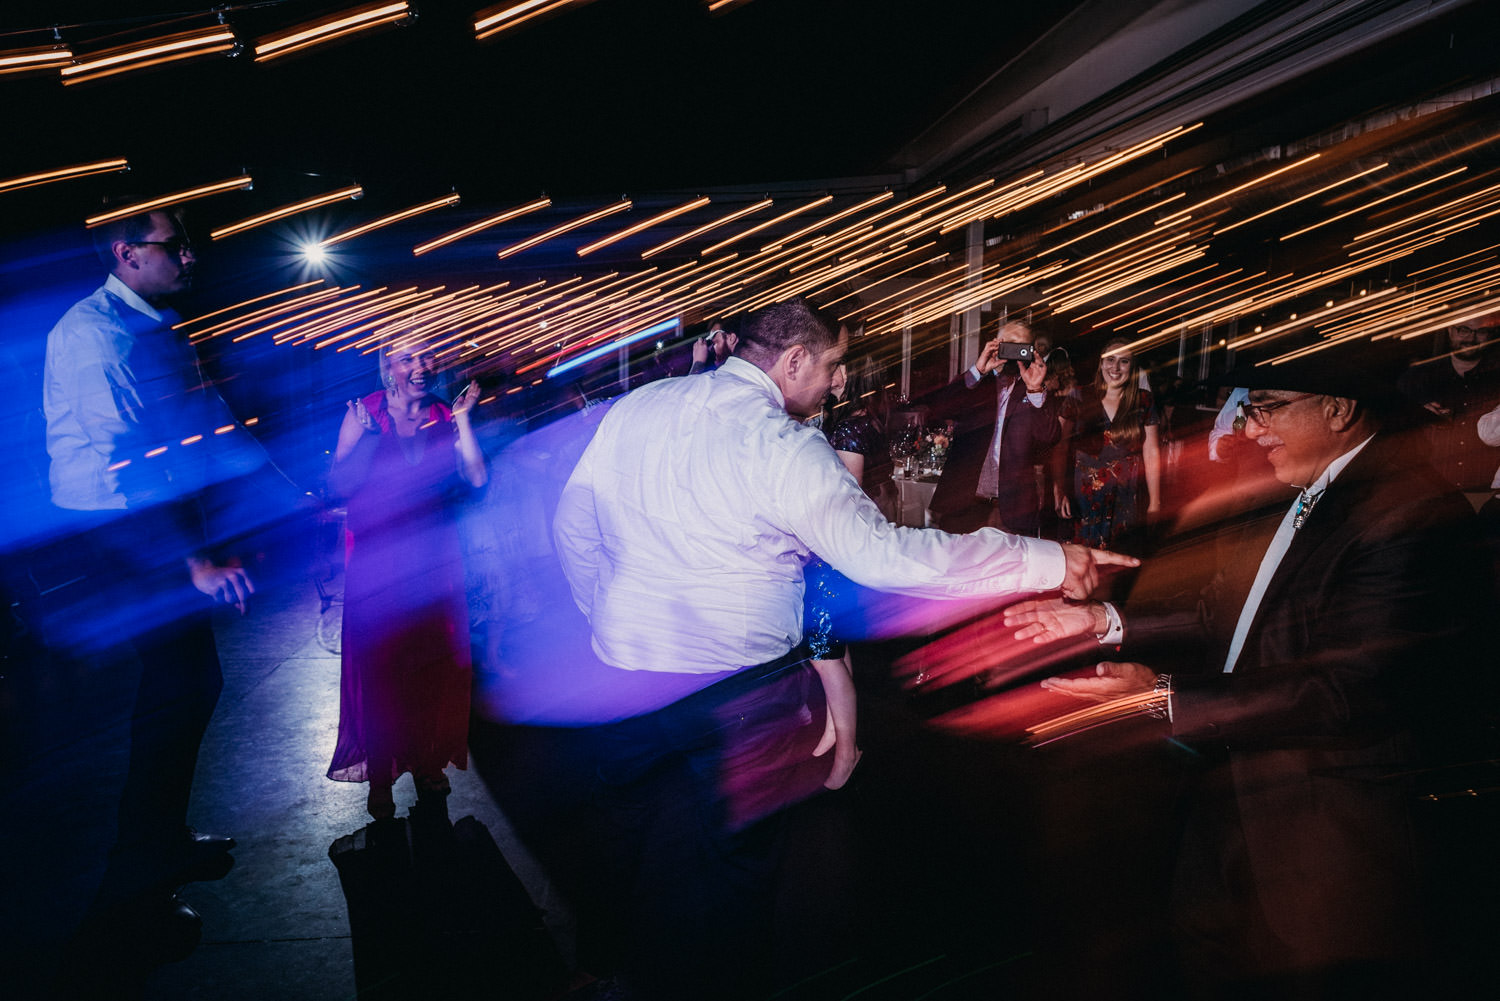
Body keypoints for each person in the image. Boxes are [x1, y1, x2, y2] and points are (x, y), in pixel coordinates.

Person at [550, 297, 1134, 998]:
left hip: (625, 676)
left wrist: (606, 618)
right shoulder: (786, 447)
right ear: (792, 360)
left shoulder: (637, 409)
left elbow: (572, 526)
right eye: (831, 366)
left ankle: (593, 965)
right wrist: (1040, 561)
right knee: (737, 866)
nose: (836, 383)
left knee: (616, 827)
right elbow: (883, 557)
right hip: (738, 689)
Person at [1004, 352, 1488, 998]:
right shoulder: (1298, 488)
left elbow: (1338, 690)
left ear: (1339, 409)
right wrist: (1104, 622)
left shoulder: (1407, 513)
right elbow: (1221, 609)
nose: (1253, 428)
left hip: (1322, 840)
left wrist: (1161, 696)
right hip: (1227, 799)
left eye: (1268, 407)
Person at [42, 208, 274, 945]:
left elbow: (207, 418)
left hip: (158, 523)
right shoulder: (93, 336)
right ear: (126, 253)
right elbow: (126, 461)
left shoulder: (153, 324)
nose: (191, 256)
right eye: (175, 246)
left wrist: (286, 489)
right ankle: (129, 894)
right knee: (175, 694)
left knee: (188, 688)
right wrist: (197, 559)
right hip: (117, 531)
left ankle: (160, 846)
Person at [326, 339, 487, 820]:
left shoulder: (444, 412)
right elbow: (339, 485)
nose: (420, 366)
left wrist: (463, 420)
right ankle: (379, 777)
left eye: (427, 356)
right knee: (382, 673)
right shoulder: (363, 412)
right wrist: (369, 435)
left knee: (431, 670)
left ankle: (426, 764)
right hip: (379, 567)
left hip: (434, 562)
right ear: (387, 366)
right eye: (408, 359)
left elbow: (477, 479)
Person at [924, 317, 1062, 535]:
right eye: (1007, 343)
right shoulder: (976, 384)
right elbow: (939, 410)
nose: (1012, 351)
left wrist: (1035, 391)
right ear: (995, 343)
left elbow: (1050, 438)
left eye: (1020, 346)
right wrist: (977, 371)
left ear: (1029, 351)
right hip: (964, 507)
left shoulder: (1033, 387)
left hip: (1012, 510)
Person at [1054, 337, 1162, 551]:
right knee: (1084, 561)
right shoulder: (1079, 396)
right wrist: (1058, 490)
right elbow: (1059, 447)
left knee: (1121, 560)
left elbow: (1151, 452)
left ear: (1132, 367)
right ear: (1101, 364)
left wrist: (1155, 501)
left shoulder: (1144, 400)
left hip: (1127, 497)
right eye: (1110, 360)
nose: (1116, 367)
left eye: (1124, 361)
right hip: (1083, 495)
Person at [1397, 311, 1500, 500]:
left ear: (1491, 334)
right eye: (1464, 330)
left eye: (1481, 331)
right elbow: (1388, 431)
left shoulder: (1497, 377)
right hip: (1429, 495)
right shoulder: (1417, 378)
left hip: (1485, 498)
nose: (1471, 338)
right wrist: (1417, 414)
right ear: (1450, 330)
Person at [827, 351, 897, 521]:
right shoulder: (870, 418)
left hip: (865, 519)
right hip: (882, 510)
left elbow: (849, 495)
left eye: (834, 366)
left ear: (846, 374)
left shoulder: (849, 429)